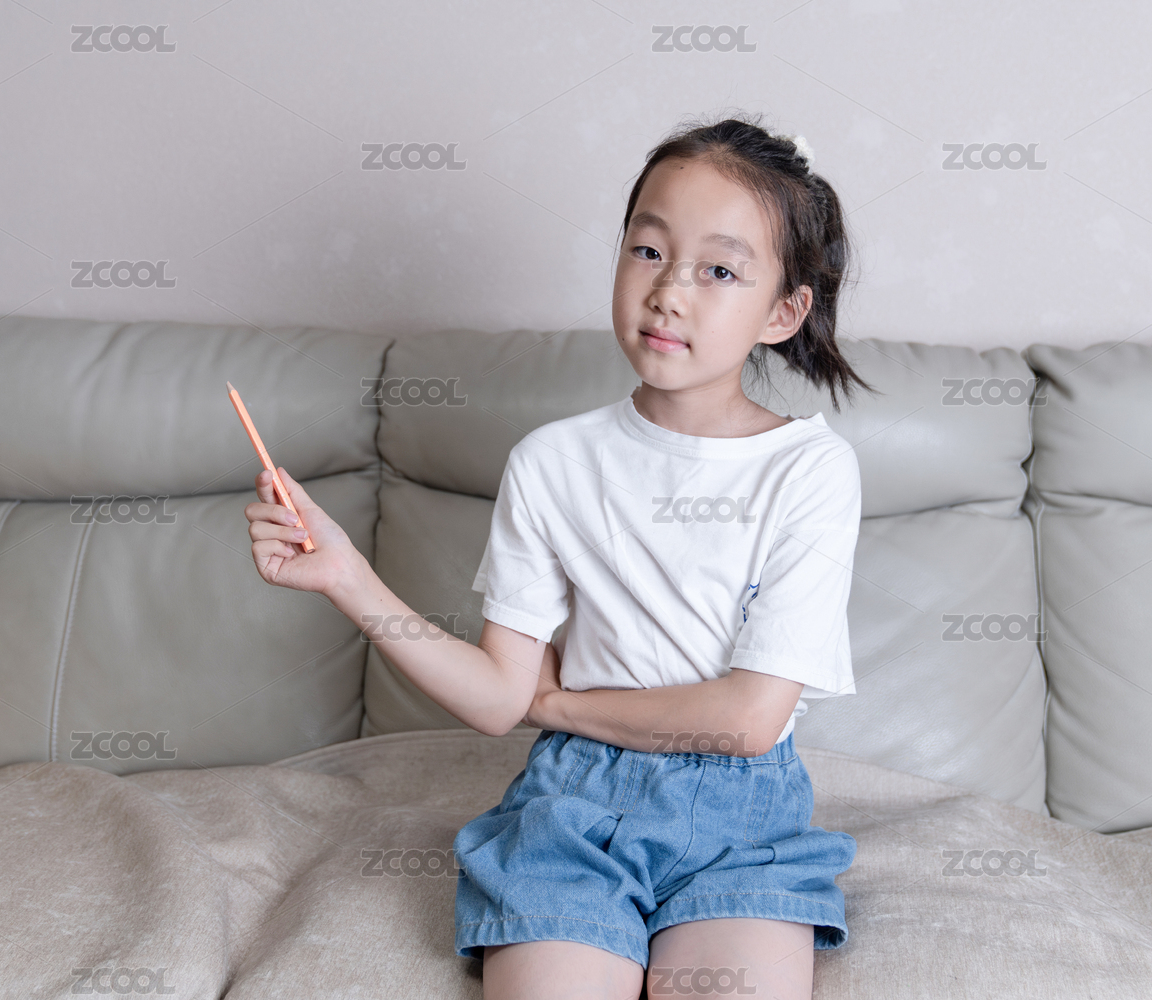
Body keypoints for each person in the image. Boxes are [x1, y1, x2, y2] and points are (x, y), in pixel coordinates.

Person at [244, 115, 876, 1000]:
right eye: (647, 251)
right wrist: (348, 576)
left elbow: (747, 720)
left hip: (742, 817)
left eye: (719, 271)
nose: (669, 292)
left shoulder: (811, 470)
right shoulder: (551, 461)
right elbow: (500, 699)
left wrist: (560, 704)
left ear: (783, 312)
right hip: (573, 808)